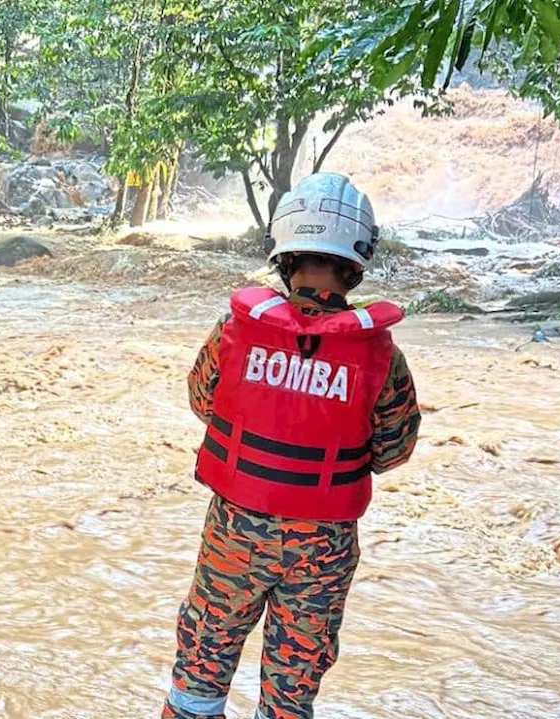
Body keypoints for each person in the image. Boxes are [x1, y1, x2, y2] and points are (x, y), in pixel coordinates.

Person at [161, 173, 422, 719]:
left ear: (282, 255)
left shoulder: (234, 330)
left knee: (200, 672)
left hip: (235, 532)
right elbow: (394, 450)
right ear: (357, 260)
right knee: (290, 695)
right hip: (322, 549)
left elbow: (203, 400)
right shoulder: (380, 355)